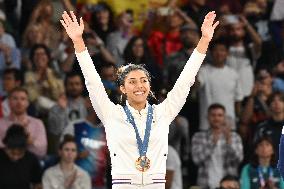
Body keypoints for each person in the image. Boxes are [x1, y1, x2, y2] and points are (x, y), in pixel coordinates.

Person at [60, 10, 218, 189]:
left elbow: (185, 82)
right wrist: (78, 42)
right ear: (122, 88)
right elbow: (93, 82)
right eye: (132, 81)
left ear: (149, 87)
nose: (139, 85)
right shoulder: (112, 114)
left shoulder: (162, 113)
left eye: (144, 81)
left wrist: (204, 41)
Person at [191, 104, 243, 189]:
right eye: (213, 115)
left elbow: (238, 159)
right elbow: (197, 160)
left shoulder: (234, 136)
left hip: (228, 185)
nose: (216, 118)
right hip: (205, 185)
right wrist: (212, 143)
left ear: (224, 117)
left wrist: (229, 142)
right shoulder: (198, 136)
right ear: (208, 117)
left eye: (220, 115)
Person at [0, 87, 47, 158]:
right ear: (9, 102)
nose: (19, 102)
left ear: (27, 103)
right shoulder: (0, 123)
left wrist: (30, 142)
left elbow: (42, 152)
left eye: (23, 99)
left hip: (30, 164)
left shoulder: (38, 123)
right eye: (15, 98)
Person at [0, 124, 42, 189]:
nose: (15, 157)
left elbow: (37, 184)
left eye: (20, 154)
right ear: (6, 146)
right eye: (12, 153)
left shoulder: (31, 159)